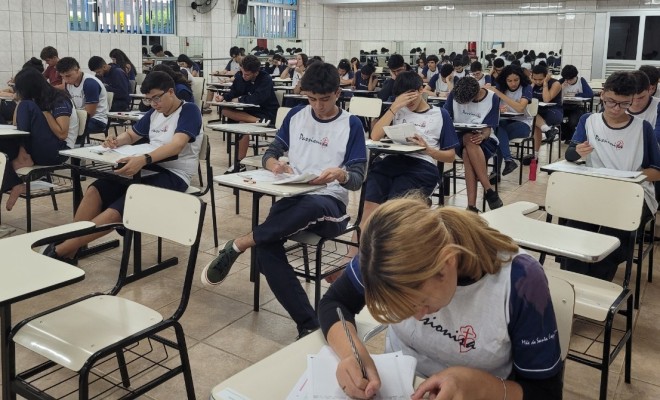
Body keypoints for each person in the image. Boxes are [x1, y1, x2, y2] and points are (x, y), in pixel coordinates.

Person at [318, 197, 563, 400]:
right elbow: (335, 303)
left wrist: (479, 386)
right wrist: (353, 355)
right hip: (400, 388)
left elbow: (546, 392)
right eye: (399, 310)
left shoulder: (521, 282)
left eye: (420, 303)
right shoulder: (383, 255)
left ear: (447, 262)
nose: (416, 317)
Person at [201, 62, 367, 339]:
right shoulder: (297, 116)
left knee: (308, 208)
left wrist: (341, 174)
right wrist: (274, 165)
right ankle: (308, 323)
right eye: (311, 99)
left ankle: (240, 243)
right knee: (266, 251)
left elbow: (358, 178)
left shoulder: (350, 124)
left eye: (324, 100)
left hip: (330, 204)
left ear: (338, 93)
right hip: (293, 195)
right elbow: (271, 152)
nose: (318, 106)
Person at [42, 71, 202, 264]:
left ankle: (61, 250)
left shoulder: (189, 110)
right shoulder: (154, 113)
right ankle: (73, 247)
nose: (154, 104)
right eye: (149, 100)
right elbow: (132, 135)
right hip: (147, 166)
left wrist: (144, 158)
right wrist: (116, 141)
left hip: (174, 174)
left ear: (170, 92)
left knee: (120, 207)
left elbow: (177, 145)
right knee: (96, 189)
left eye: (156, 98)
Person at [564, 71, 660, 281]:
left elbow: (657, 171)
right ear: (603, 94)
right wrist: (577, 151)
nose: (616, 109)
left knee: (613, 235)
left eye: (624, 104)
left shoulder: (642, 128)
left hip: (634, 193)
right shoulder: (588, 121)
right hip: (596, 190)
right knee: (575, 228)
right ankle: (574, 286)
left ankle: (596, 286)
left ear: (632, 100)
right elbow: (570, 154)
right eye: (611, 102)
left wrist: (630, 177)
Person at [347, 71, 457, 252]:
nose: (409, 102)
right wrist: (395, 107)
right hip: (391, 162)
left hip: (421, 166)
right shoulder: (398, 110)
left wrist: (428, 150)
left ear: (421, 89)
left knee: (394, 211)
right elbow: (374, 136)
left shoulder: (440, 114)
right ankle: (351, 259)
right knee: (369, 206)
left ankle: (385, 258)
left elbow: (451, 156)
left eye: (412, 95)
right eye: (403, 96)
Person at [1, 67, 79, 211]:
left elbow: (62, 133)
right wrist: (20, 102)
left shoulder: (59, 99)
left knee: (27, 106)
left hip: (59, 151)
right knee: (1, 150)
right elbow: (15, 124)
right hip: (40, 146)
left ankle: (22, 155)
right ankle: (15, 182)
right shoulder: (34, 99)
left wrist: (45, 113)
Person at [445, 76, 503, 211]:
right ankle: (488, 189)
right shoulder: (455, 94)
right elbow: (446, 118)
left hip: (484, 138)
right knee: (467, 137)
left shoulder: (492, 98)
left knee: (467, 150)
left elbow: (489, 128)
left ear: (476, 94)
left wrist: (482, 136)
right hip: (459, 137)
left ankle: (471, 206)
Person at [214, 55, 279, 171]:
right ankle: (258, 122)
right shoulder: (240, 76)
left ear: (256, 72)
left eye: (247, 74)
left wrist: (239, 99)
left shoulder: (266, 79)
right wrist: (223, 97)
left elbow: (258, 98)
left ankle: (239, 163)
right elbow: (233, 92)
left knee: (242, 123)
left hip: (267, 112)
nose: (244, 76)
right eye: (242, 72)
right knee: (225, 111)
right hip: (250, 113)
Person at [489, 66, 534, 176]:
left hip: (523, 124)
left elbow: (520, 108)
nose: (513, 83)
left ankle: (496, 172)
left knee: (498, 136)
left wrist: (500, 94)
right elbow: (490, 107)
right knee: (498, 132)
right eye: (509, 81)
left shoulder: (526, 87)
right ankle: (508, 161)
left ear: (520, 78)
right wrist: (498, 108)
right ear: (504, 80)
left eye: (516, 80)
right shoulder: (500, 87)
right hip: (505, 121)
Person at [56, 57, 109, 138]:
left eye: (68, 76)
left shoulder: (90, 83)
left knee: (65, 129)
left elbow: (89, 113)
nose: (66, 80)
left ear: (77, 70)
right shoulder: (68, 84)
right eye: (62, 77)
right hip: (80, 117)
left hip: (96, 120)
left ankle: (69, 147)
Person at [528, 64, 563, 161]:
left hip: (553, 112)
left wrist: (545, 84)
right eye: (535, 79)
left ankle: (535, 155)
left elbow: (547, 99)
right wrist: (532, 84)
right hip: (538, 113)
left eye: (540, 79)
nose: (537, 82)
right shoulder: (533, 84)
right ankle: (547, 130)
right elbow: (527, 99)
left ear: (546, 76)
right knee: (534, 118)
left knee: (534, 118)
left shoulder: (555, 84)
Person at [559, 65, 594, 142]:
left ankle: (571, 138)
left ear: (575, 76)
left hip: (577, 106)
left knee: (573, 121)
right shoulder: (562, 81)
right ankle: (565, 135)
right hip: (563, 106)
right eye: (566, 79)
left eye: (571, 79)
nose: (568, 81)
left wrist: (576, 95)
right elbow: (553, 93)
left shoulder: (581, 81)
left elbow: (590, 94)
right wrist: (560, 88)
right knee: (558, 118)